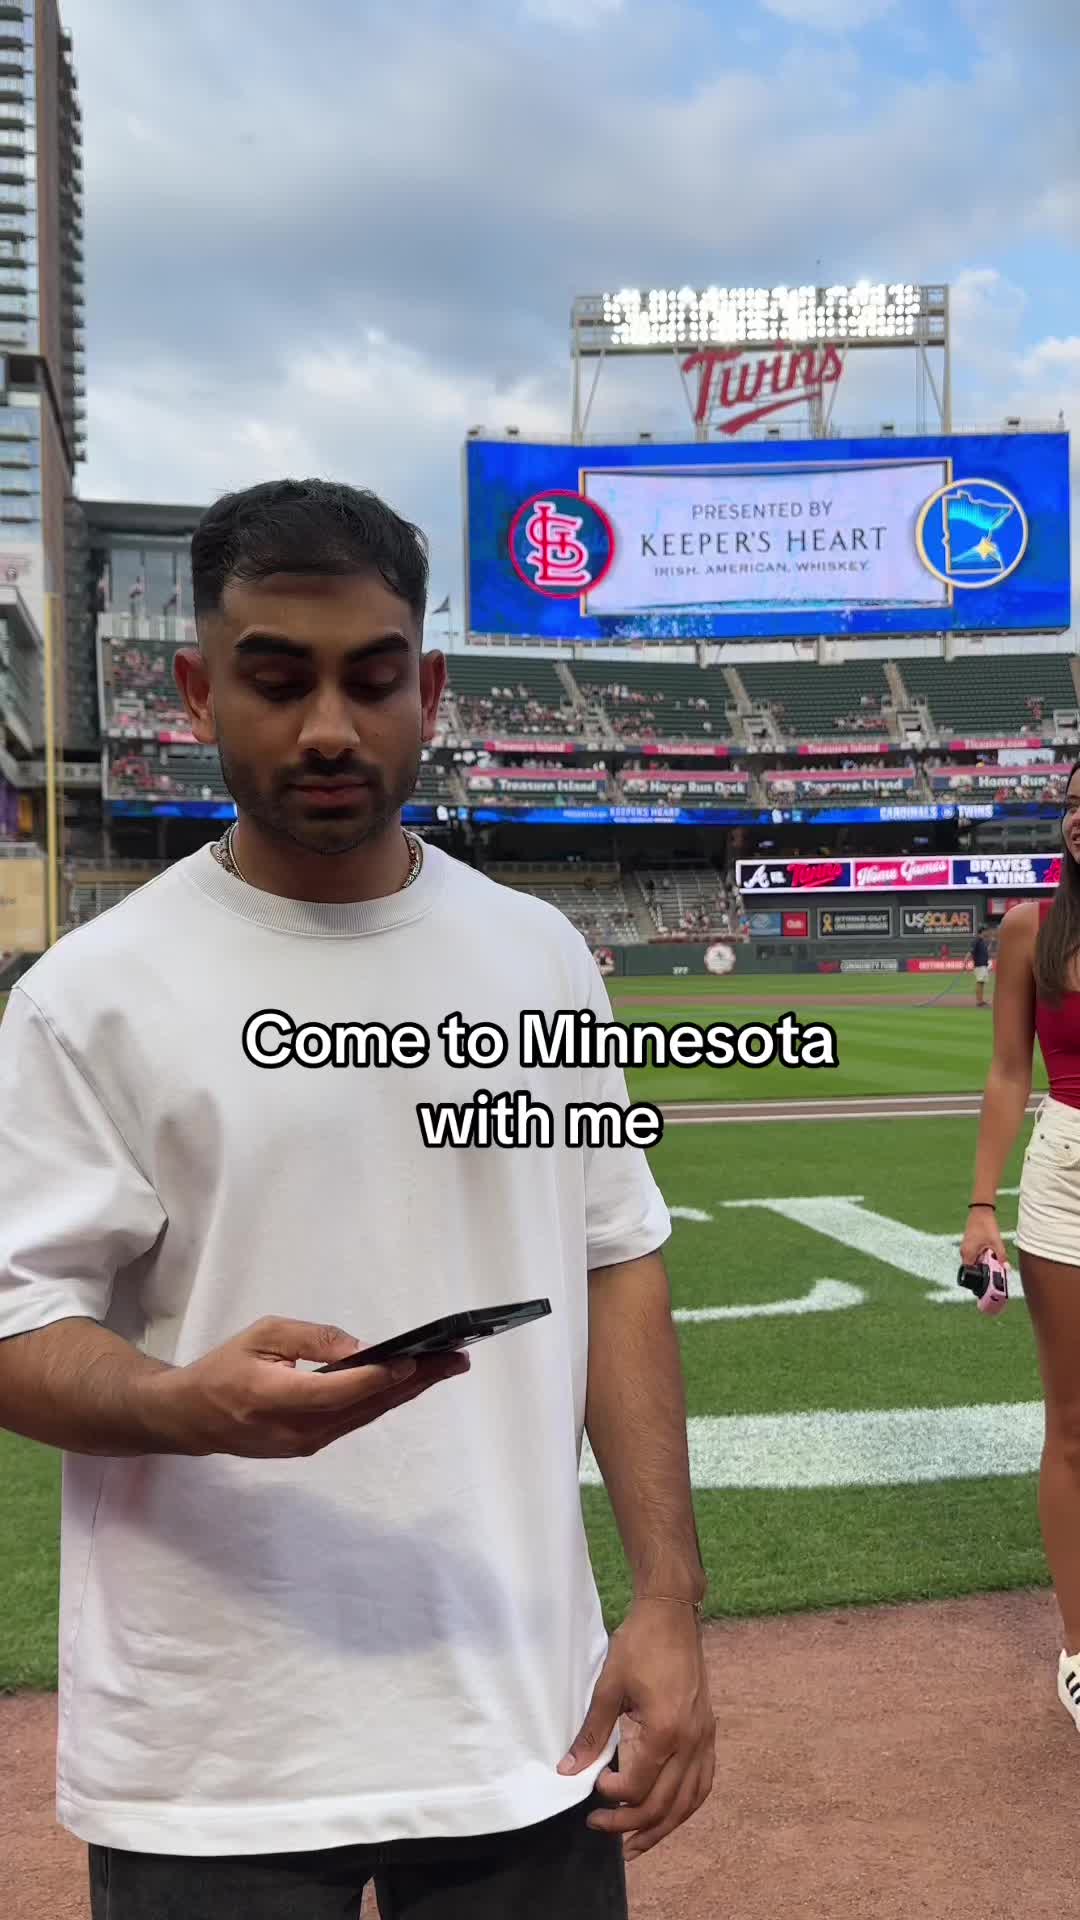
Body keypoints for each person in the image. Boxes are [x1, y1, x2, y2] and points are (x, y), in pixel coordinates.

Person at [0, 480, 715, 1920]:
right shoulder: (89, 996)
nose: (328, 726)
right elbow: (18, 1331)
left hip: (524, 1721)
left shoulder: (537, 956)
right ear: (197, 690)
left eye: (372, 679)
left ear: (428, 691)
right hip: (216, 1757)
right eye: (277, 680)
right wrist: (184, 1403)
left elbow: (616, 1263)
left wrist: (670, 1603)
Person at [961, 757, 1080, 1734]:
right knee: (1073, 1426)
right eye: (1076, 803)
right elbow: (1009, 1071)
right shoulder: (1032, 929)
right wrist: (980, 1204)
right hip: (1065, 1178)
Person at [971, 924, 991, 1006]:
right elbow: (971, 951)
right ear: (982, 931)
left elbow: (985, 951)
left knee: (982, 982)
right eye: (986, 931)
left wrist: (991, 944)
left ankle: (981, 1000)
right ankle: (978, 1001)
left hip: (984, 964)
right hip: (979, 964)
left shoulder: (982, 941)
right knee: (979, 982)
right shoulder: (977, 940)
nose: (987, 932)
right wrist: (965, 961)